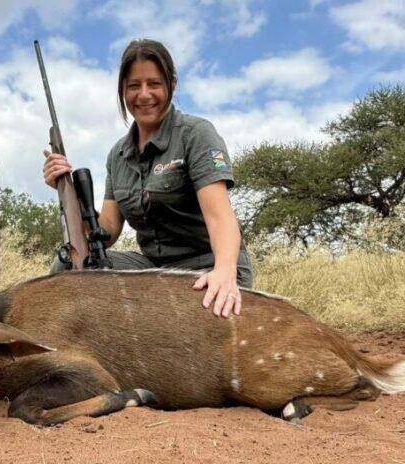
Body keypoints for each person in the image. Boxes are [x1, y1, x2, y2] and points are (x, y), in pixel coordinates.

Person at [42, 39, 253, 319]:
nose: (143, 95)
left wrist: (224, 272)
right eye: (133, 86)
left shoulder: (196, 134)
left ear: (172, 84)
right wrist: (67, 192)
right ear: (122, 90)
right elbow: (106, 233)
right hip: (155, 269)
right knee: (65, 265)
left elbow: (220, 218)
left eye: (154, 84)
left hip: (209, 264)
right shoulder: (117, 155)